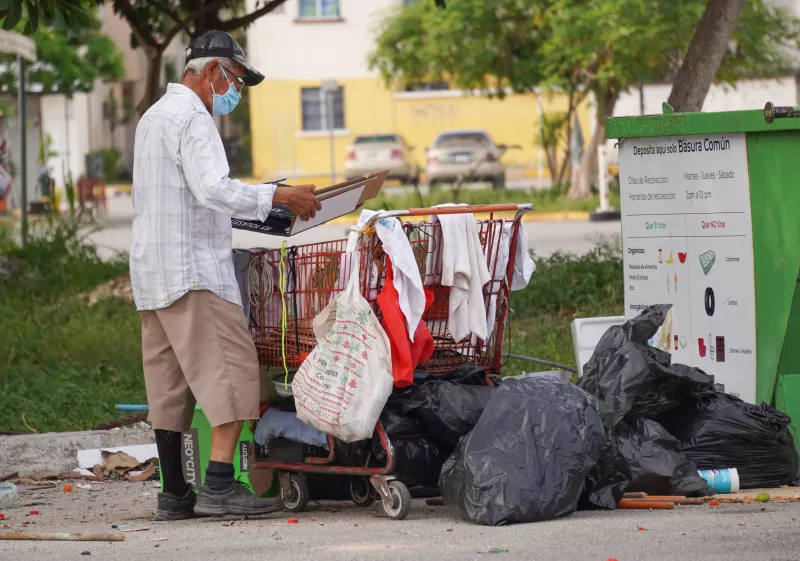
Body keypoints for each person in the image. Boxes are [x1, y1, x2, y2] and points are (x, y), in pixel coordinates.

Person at [130, 30, 321, 521]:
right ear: (212, 72)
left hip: (153, 274)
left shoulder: (153, 117)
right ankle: (218, 484)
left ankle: (174, 493)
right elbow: (213, 189)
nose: (235, 92)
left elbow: (181, 195)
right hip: (194, 272)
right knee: (233, 371)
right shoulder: (194, 117)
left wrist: (256, 206)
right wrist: (280, 197)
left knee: (168, 385)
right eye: (235, 80)